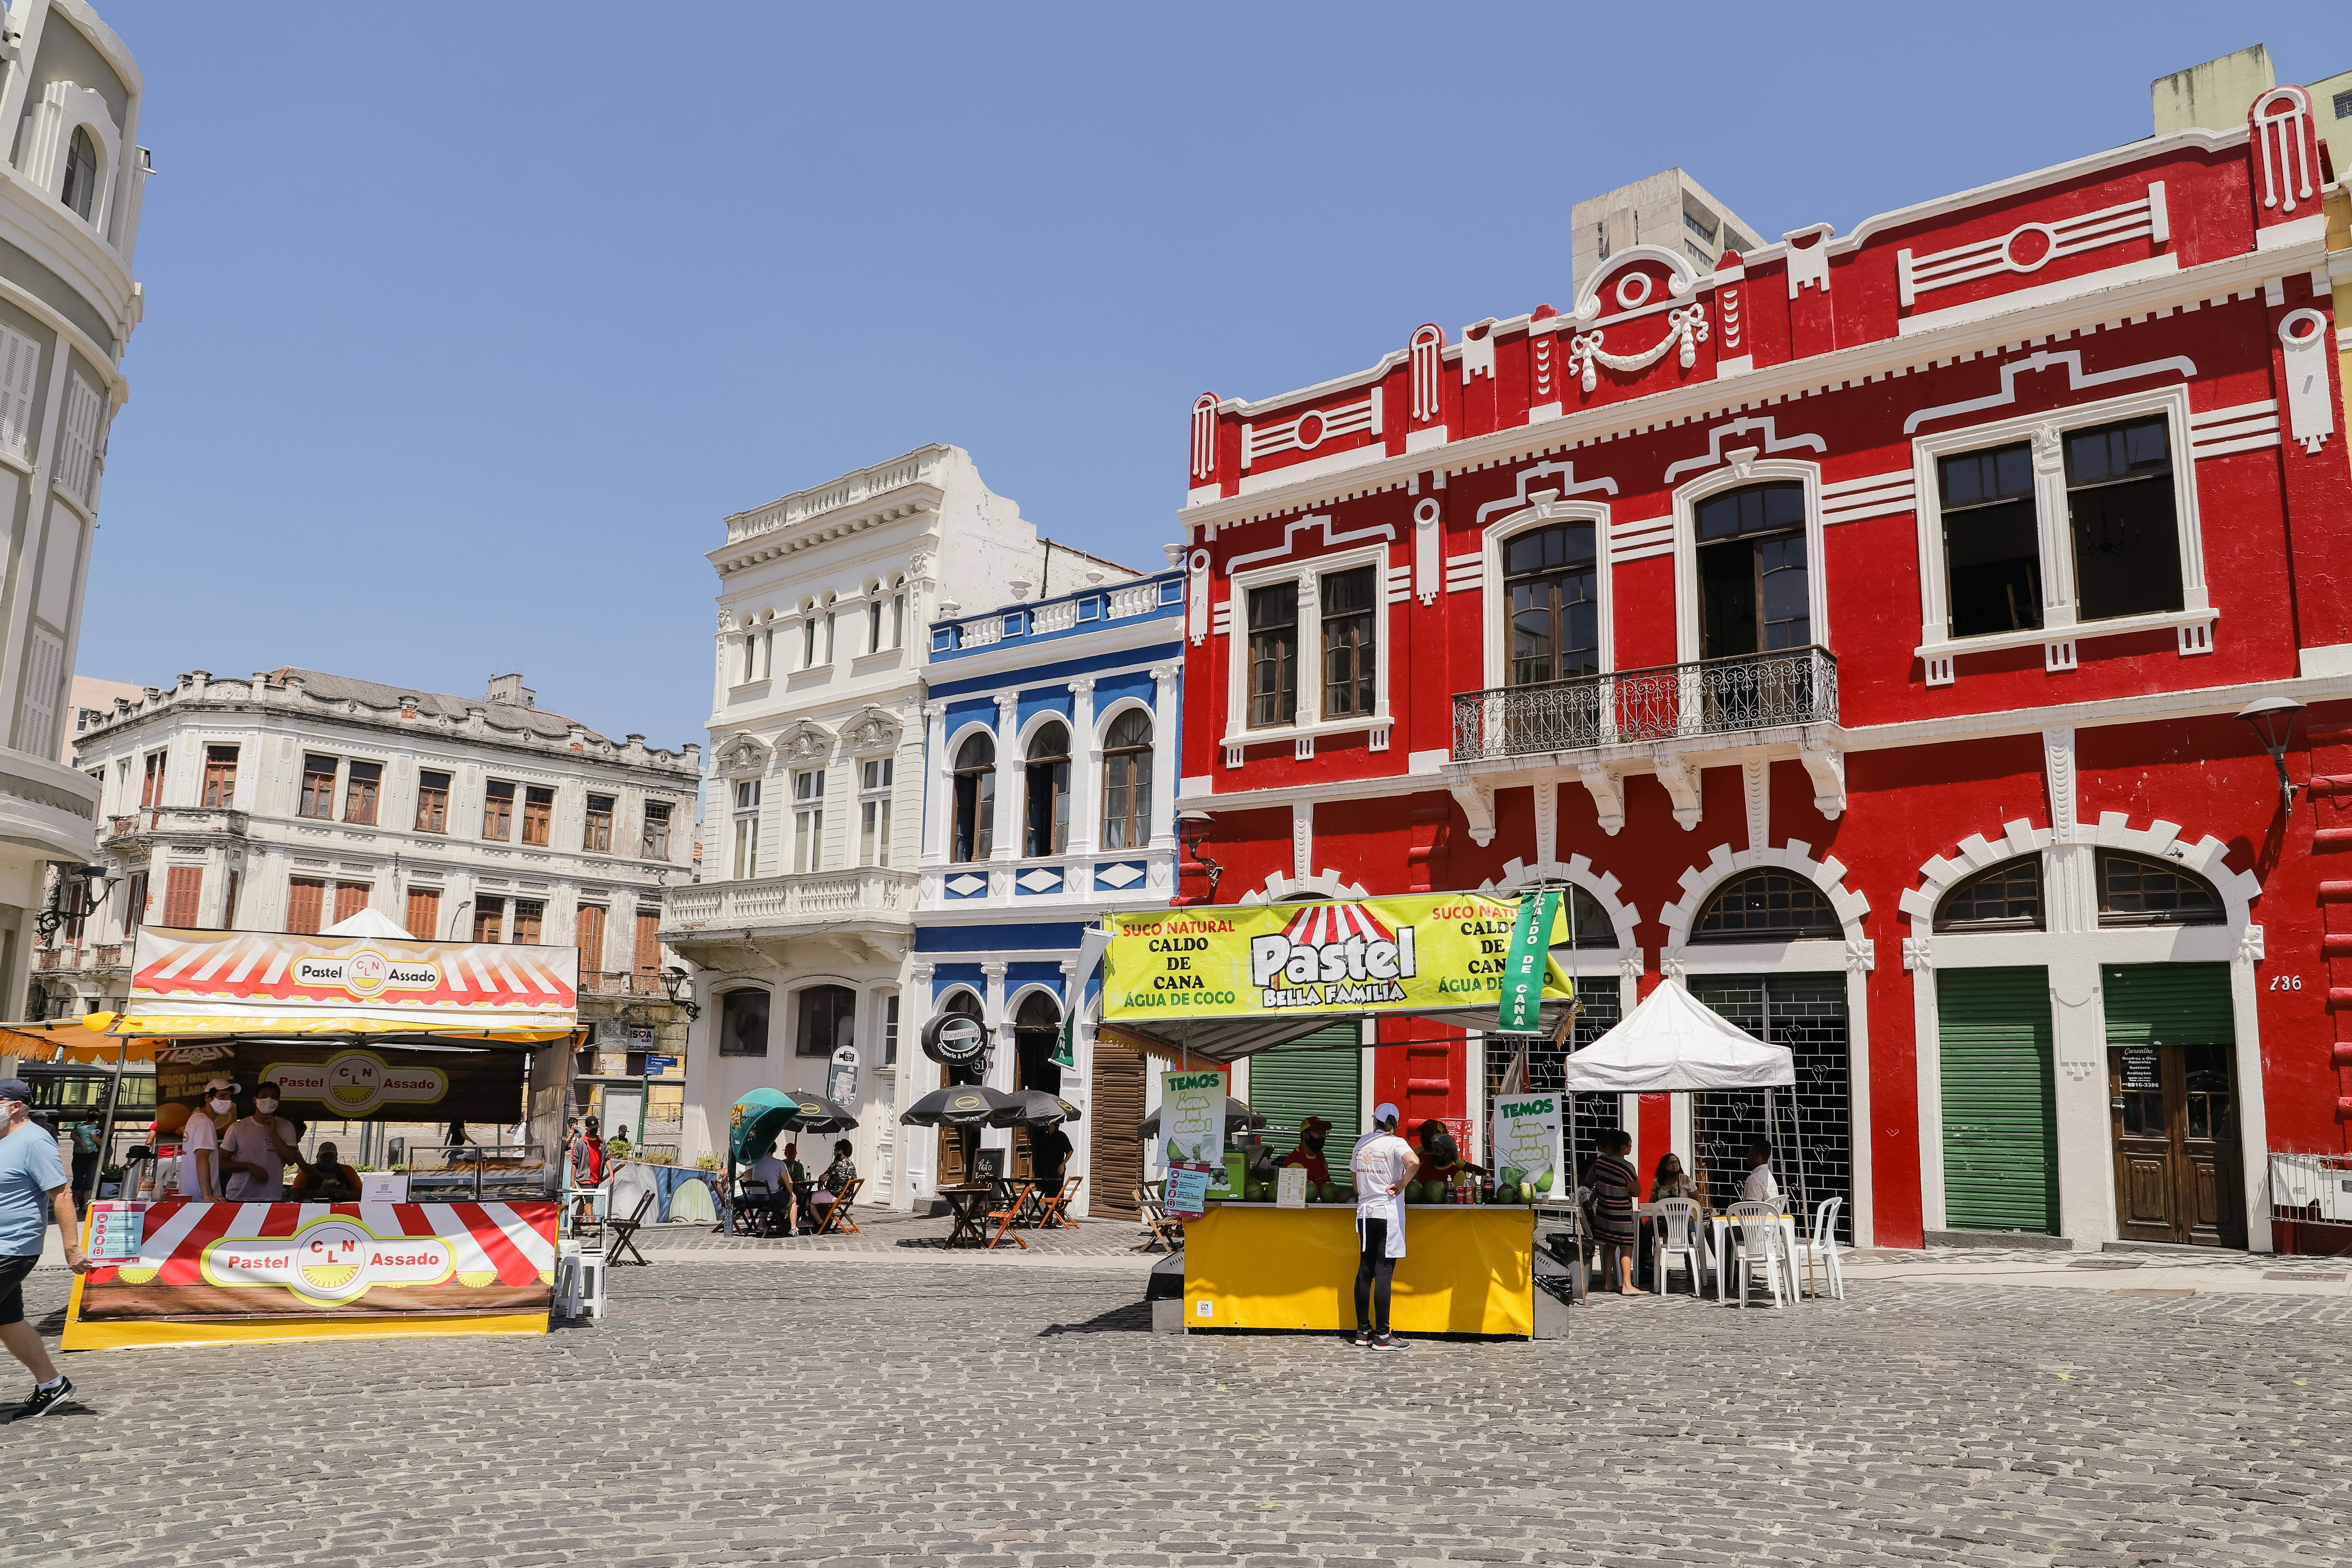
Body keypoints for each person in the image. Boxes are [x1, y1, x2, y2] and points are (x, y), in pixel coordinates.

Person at [0, 1077, 87, 1419]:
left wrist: (72, 1249)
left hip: (13, 1245)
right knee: (8, 1320)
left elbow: (62, 1194)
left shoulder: (35, 1141)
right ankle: (52, 1384)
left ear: (15, 1106)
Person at [1347, 1102, 1418, 1350]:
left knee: (1365, 1270)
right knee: (1384, 1272)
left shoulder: (1362, 1144)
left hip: (1365, 1213)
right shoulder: (1396, 1143)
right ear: (1395, 1123)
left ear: (1374, 1120)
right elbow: (1414, 1162)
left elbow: (1355, 1184)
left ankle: (1362, 1332)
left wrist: (1368, 1190)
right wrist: (1401, 1184)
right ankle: (1383, 1336)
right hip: (1387, 1212)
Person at [221, 1082, 302, 1203]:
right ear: (255, 1100)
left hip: (271, 1197)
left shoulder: (286, 1126)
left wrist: (273, 1133)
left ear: (278, 1101)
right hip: (239, 1196)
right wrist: (249, 1166)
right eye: (264, 1096)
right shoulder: (238, 1127)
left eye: (274, 1097)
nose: (269, 1100)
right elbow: (221, 1163)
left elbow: (291, 1160)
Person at [1585, 1129, 1644, 1295]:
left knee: (1609, 1246)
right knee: (1626, 1247)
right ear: (1624, 1147)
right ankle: (1627, 1284)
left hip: (1604, 1213)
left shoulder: (1600, 1162)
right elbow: (1638, 1191)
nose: (1631, 1147)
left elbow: (1589, 1180)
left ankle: (1608, 1282)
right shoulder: (1627, 1167)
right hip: (1622, 1214)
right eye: (1630, 1145)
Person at [177, 1077, 237, 1201]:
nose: (228, 1101)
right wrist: (208, 1195)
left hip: (190, 1194)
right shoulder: (205, 1123)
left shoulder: (195, 1118)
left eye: (230, 1097)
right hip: (200, 1198)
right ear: (208, 1098)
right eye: (223, 1096)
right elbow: (202, 1158)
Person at [289, 1142, 363, 1202]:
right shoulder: (307, 1172)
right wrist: (318, 1193)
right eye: (324, 1157)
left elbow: (361, 1193)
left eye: (331, 1157)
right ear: (317, 1157)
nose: (328, 1159)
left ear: (337, 1157)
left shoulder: (348, 1171)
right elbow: (295, 1196)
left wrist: (347, 1194)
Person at [1275, 1116, 1332, 1188]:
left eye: (1325, 1133)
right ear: (1306, 1134)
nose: (1323, 1136)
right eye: (1319, 1132)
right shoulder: (1294, 1163)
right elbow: (1297, 1196)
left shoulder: (1320, 1156)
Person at [811, 1138, 857, 1227]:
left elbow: (823, 1178)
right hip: (846, 1197)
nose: (834, 1153)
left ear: (840, 1151)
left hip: (834, 1196)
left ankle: (820, 1222)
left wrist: (821, 1180)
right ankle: (825, 1219)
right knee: (818, 1197)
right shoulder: (851, 1165)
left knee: (808, 1198)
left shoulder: (838, 1164)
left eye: (835, 1150)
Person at [68, 1118, 101, 1213]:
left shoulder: (100, 1128)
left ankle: (86, 1206)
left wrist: (96, 1139)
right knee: (77, 1182)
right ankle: (74, 1203)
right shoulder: (80, 1126)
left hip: (93, 1157)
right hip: (79, 1157)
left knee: (90, 1182)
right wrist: (83, 1144)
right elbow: (73, 1135)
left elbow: (105, 1144)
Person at [1032, 1123, 1073, 1197]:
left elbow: (1070, 1151)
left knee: (1057, 1191)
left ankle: (1057, 1208)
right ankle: (1049, 1208)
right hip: (1047, 1169)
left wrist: (1063, 1164)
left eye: (1049, 1124)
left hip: (1057, 1169)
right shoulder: (1046, 1137)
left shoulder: (1061, 1136)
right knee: (1048, 1191)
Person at [1742, 1140, 1781, 1204]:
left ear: (1758, 1157)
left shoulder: (1754, 1179)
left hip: (1762, 1214)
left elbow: (1752, 1209)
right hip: (1774, 1214)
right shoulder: (1769, 1176)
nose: (1748, 1156)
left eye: (1750, 1153)